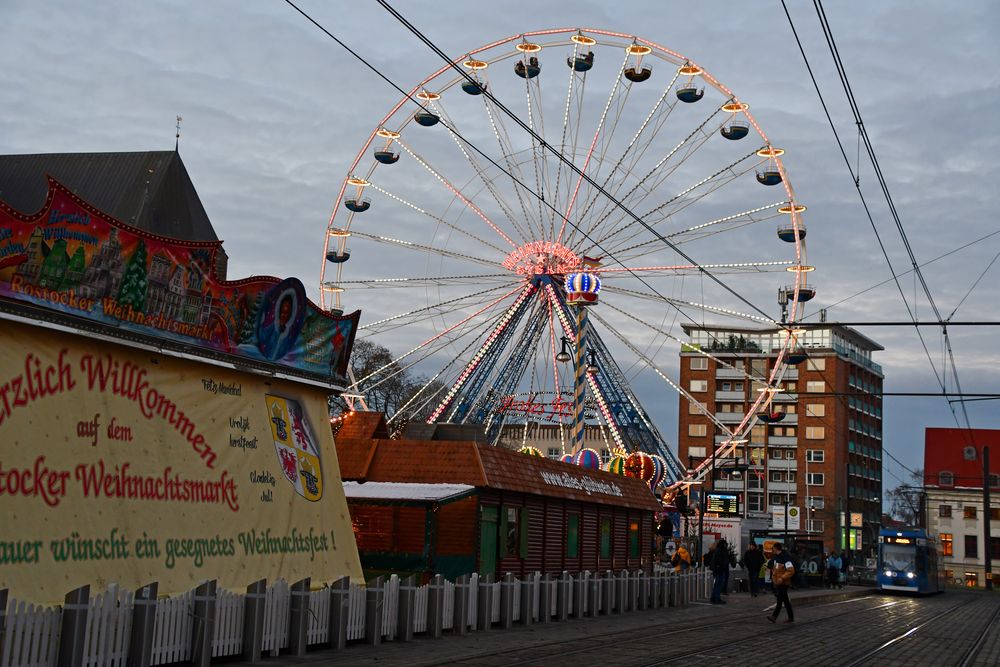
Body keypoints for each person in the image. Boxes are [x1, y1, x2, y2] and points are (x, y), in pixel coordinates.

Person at [767, 542, 795, 623]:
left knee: (779, 600)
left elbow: (791, 570)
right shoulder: (776, 557)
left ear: (776, 548)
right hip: (778, 582)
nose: (772, 550)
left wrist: (782, 578)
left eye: (773, 548)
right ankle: (791, 617)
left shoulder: (785, 557)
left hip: (783, 582)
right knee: (785, 601)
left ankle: (774, 617)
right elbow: (773, 568)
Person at [710, 539, 730, 604]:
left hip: (716, 569)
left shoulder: (717, 550)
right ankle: (717, 598)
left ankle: (713, 597)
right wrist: (723, 566)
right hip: (720, 569)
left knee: (716, 584)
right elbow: (723, 561)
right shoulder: (722, 550)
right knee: (719, 584)